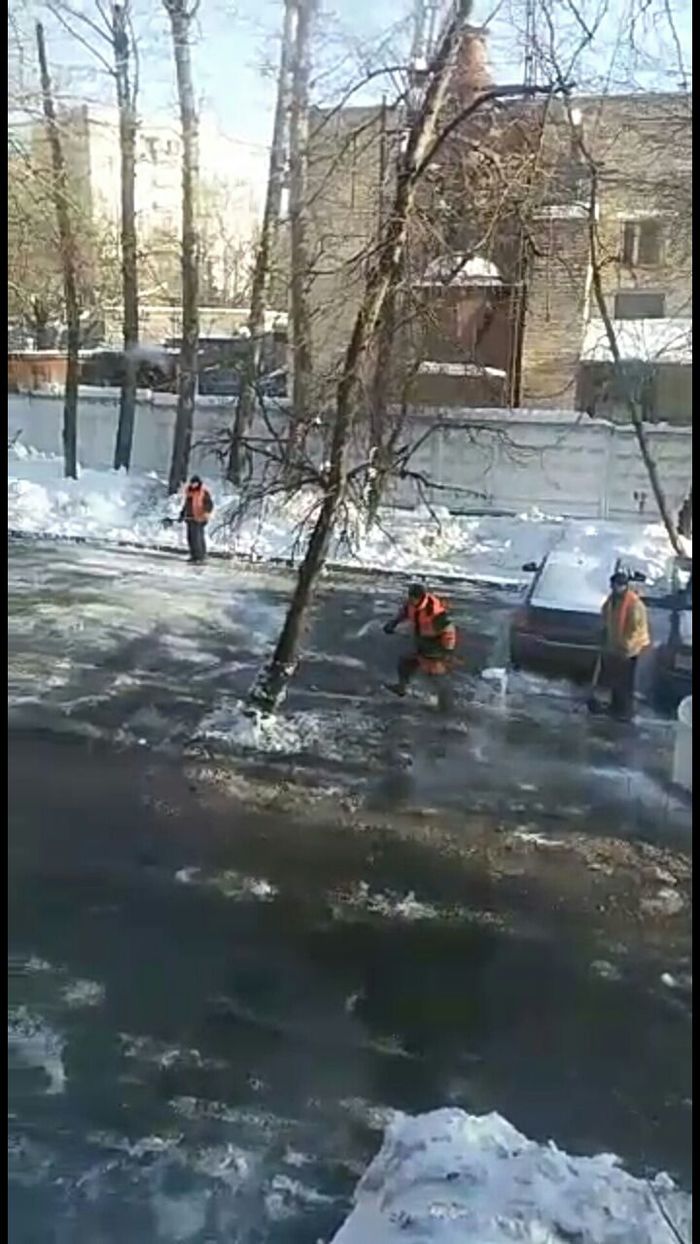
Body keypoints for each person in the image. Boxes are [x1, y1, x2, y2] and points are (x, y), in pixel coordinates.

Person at [383, 582, 457, 712]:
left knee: (435, 673)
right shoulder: (412, 604)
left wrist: (448, 650)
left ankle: (446, 705)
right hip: (421, 639)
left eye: (412, 598)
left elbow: (449, 629)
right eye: (409, 597)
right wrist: (393, 623)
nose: (410, 600)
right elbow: (405, 612)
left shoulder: (433, 610)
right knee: (406, 662)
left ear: (420, 597)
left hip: (435, 643)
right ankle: (401, 688)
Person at [599, 569, 650, 721]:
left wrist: (626, 646)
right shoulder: (612, 600)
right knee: (615, 678)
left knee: (625, 681)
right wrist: (604, 633)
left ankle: (625, 711)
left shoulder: (634, 603)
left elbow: (637, 628)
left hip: (630, 649)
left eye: (618, 585)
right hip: (615, 646)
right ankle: (615, 707)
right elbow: (606, 615)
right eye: (613, 585)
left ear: (624, 586)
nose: (615, 588)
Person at [179, 475, 214, 563]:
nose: (193, 485)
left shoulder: (203, 492)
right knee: (191, 538)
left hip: (200, 518)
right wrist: (183, 514)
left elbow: (209, 504)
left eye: (195, 483)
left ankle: (200, 555)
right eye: (192, 483)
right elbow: (187, 504)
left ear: (198, 483)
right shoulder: (189, 492)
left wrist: (206, 511)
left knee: (197, 538)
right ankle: (193, 555)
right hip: (190, 518)